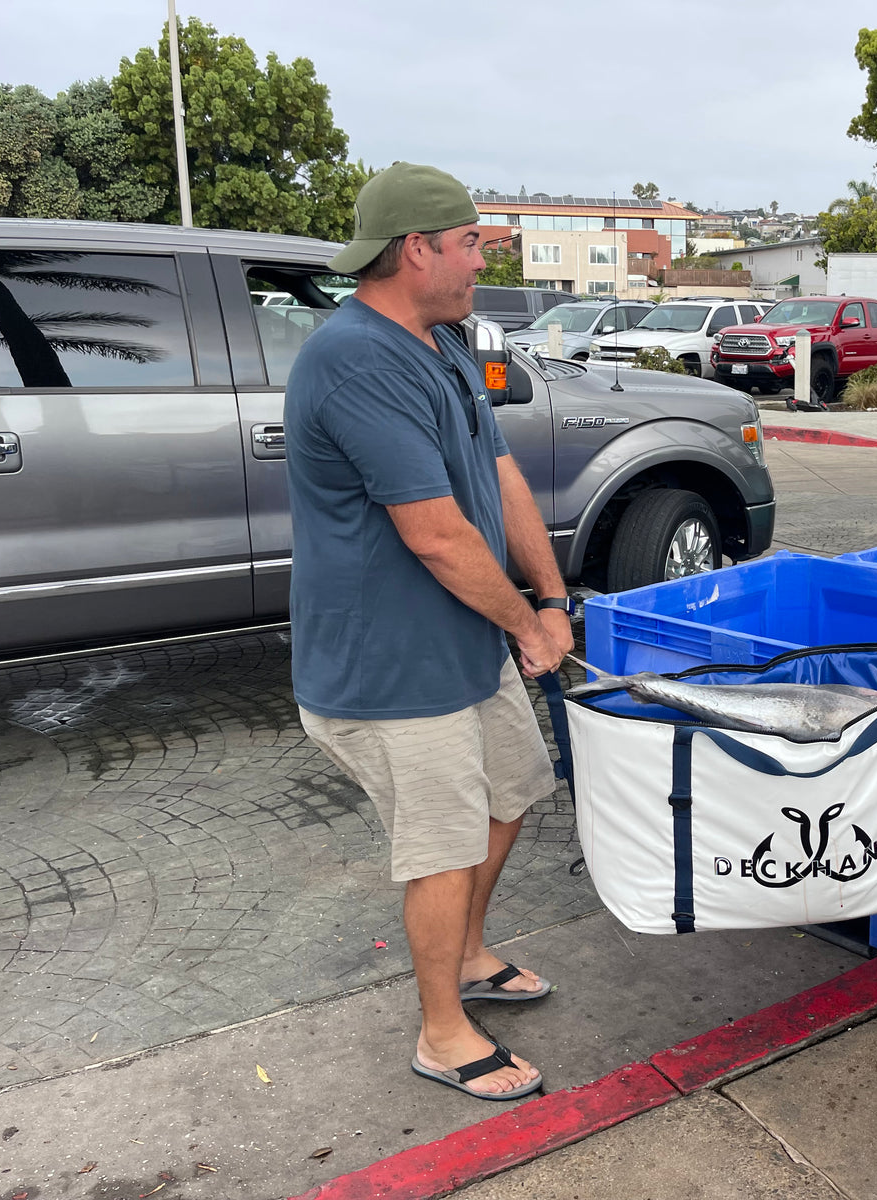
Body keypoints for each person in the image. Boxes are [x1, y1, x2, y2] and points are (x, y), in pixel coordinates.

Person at [285, 163, 573, 1102]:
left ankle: (472, 954)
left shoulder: (443, 343)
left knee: (513, 790)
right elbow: (437, 534)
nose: (482, 258)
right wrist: (524, 621)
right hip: (390, 665)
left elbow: (499, 478)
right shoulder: (354, 358)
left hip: (461, 644)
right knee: (443, 845)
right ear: (417, 250)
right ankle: (442, 1034)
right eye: (471, 243)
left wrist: (552, 596)